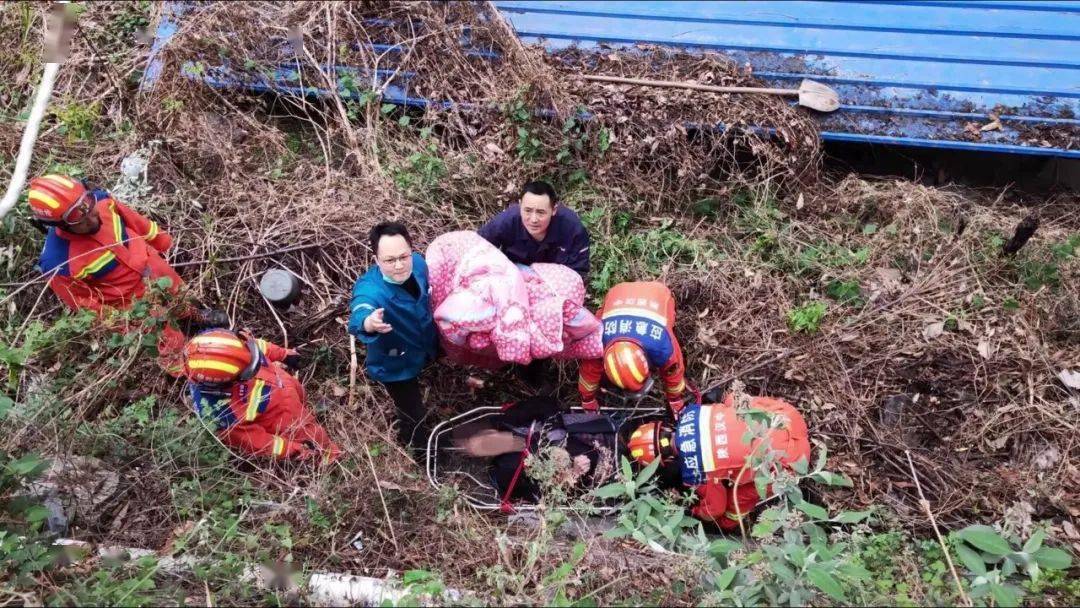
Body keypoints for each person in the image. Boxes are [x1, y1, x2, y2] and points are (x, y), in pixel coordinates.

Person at [27, 174, 225, 374]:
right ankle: (186, 373)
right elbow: (85, 304)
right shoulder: (59, 262)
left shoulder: (103, 202)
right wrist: (123, 322)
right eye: (77, 215)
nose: (91, 214)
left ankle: (194, 316)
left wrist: (160, 240)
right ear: (59, 224)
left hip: (153, 266)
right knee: (166, 340)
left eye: (87, 201)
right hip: (131, 301)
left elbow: (135, 220)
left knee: (180, 294)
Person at [626, 394, 811, 531]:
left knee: (736, 500)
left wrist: (695, 511)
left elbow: (715, 508)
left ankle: (727, 528)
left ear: (664, 461)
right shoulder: (693, 412)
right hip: (788, 417)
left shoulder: (695, 470)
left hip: (792, 462)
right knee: (732, 401)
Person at [183, 329, 340, 463]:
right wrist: (294, 449)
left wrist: (283, 354)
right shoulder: (221, 413)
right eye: (250, 371)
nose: (255, 364)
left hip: (284, 383)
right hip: (284, 419)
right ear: (226, 384)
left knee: (301, 397)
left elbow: (255, 345)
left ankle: (307, 410)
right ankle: (331, 459)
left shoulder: (218, 343)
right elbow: (258, 443)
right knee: (315, 438)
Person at [348, 222, 438, 453]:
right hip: (394, 361)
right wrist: (369, 322)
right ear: (376, 260)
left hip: (423, 345)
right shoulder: (371, 288)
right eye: (389, 260)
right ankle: (419, 451)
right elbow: (361, 309)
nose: (399, 266)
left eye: (403, 256)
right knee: (412, 413)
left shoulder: (418, 264)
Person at [453, 396, 618, 511]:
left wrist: (554, 435)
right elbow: (542, 495)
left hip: (595, 430)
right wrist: (573, 473)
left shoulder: (511, 420)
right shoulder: (507, 470)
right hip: (600, 471)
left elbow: (546, 404)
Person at [577, 281, 687, 414]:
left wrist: (675, 399)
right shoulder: (597, 340)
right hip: (618, 293)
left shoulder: (662, 345)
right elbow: (588, 372)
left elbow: (674, 371)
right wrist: (587, 399)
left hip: (657, 294)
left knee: (668, 323)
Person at [478, 180, 590, 277]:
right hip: (512, 278)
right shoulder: (506, 221)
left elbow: (578, 274)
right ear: (520, 205)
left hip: (554, 285)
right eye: (528, 211)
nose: (533, 219)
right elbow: (476, 247)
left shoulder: (572, 229)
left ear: (554, 210)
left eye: (541, 213)